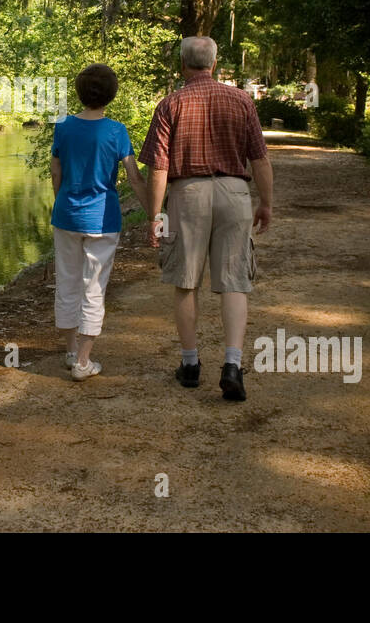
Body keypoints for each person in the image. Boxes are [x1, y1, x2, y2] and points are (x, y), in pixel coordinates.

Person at [139, 36, 273, 401]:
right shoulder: (241, 100)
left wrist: (155, 216)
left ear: (183, 64)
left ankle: (191, 364)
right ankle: (232, 365)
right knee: (234, 282)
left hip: (189, 194)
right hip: (234, 192)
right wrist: (266, 203)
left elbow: (158, 168)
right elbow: (259, 158)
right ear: (213, 63)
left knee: (186, 280)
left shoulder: (170, 103)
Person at [50, 64, 151, 381]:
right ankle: (83, 361)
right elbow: (134, 177)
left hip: (66, 215)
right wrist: (152, 213)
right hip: (103, 219)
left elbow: (56, 171)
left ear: (80, 93)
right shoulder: (116, 131)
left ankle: (69, 351)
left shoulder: (63, 126)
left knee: (66, 282)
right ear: (111, 94)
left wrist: (61, 201)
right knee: (93, 288)